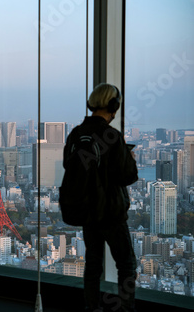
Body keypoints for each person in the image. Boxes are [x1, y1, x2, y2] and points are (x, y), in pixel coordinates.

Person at [64, 83, 138, 312]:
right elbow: (128, 176)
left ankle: (91, 307)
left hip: (87, 212)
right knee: (126, 264)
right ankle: (125, 309)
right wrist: (128, 156)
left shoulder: (77, 133)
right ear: (113, 106)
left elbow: (69, 165)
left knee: (93, 264)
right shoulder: (112, 136)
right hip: (111, 212)